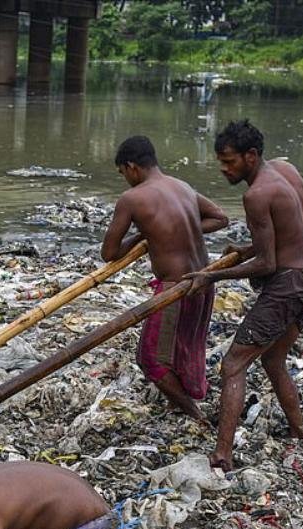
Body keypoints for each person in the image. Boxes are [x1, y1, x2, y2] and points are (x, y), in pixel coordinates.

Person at [185, 120, 303, 472]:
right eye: (221, 161)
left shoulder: (256, 195)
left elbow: (267, 263)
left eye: (229, 161)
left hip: (287, 286)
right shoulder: (284, 172)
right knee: (272, 360)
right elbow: (293, 233)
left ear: (251, 156)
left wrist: (210, 275)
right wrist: (246, 249)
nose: (224, 169)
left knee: (234, 363)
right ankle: (298, 429)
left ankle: (222, 454)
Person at [101, 135, 230, 422]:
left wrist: (144, 233)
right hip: (204, 280)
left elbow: (109, 252)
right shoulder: (181, 187)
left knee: (152, 360)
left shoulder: (132, 198)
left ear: (132, 167)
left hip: (176, 288)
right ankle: (182, 403)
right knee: (184, 345)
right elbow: (220, 218)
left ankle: (194, 413)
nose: (125, 179)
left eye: (123, 173)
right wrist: (171, 230)